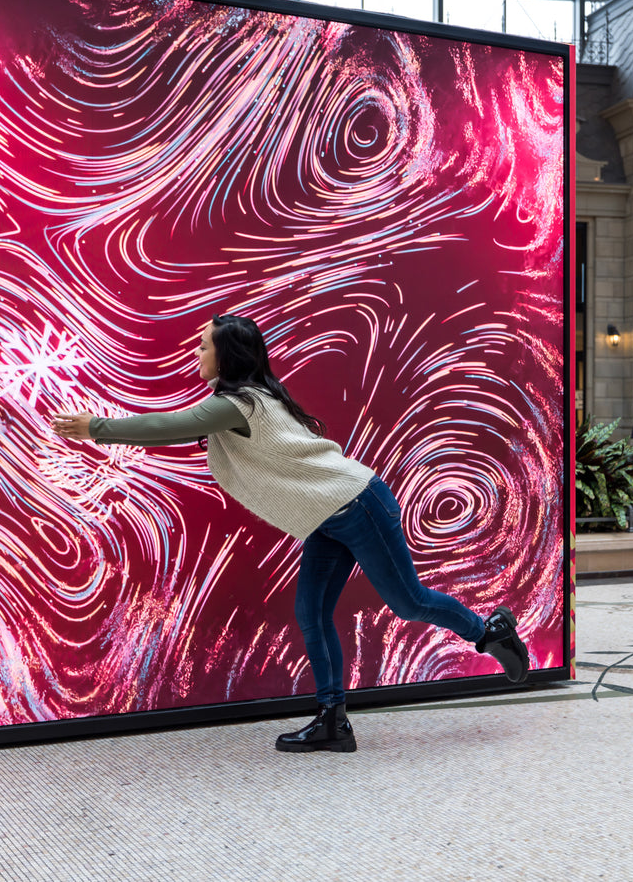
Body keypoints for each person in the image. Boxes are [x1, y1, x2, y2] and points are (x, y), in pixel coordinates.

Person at [51, 314, 530, 754]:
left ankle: (490, 632)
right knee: (312, 613)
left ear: (227, 355)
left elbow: (174, 426)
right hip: (323, 518)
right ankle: (332, 720)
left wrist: (99, 427)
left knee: (407, 601)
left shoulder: (240, 403)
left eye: (202, 348)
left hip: (355, 502)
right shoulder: (244, 399)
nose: (196, 355)